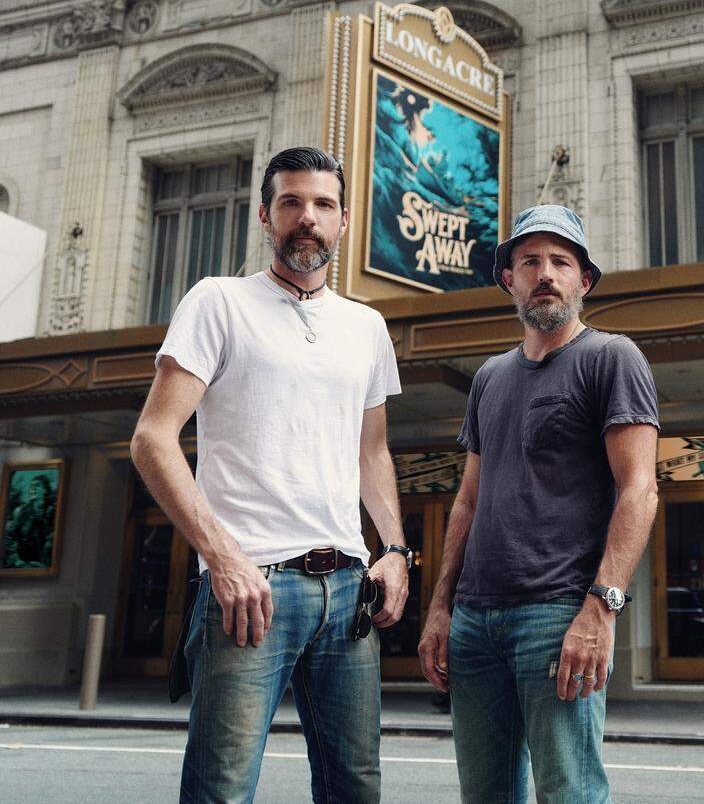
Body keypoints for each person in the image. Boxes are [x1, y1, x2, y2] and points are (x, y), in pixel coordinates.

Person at [131, 146, 411, 804]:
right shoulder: (219, 301)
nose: (306, 217)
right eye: (291, 202)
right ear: (265, 214)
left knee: (356, 788)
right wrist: (222, 557)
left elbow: (372, 453)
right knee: (222, 788)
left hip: (348, 591)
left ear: (343, 221)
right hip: (250, 585)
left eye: (322, 204)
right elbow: (152, 438)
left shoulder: (367, 327)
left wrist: (395, 550)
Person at [418, 204, 660, 803]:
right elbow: (467, 502)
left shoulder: (612, 358)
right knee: (486, 796)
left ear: (585, 280)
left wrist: (600, 610)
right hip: (474, 621)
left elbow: (640, 489)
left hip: (557, 616)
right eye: (530, 261)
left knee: (569, 792)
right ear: (509, 279)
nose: (545, 273)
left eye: (561, 261)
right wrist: (442, 607)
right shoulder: (489, 378)